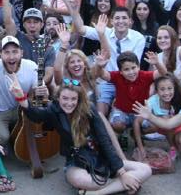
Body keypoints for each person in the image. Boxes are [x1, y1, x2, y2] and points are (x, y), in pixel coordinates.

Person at [11, 77, 152, 194]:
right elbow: (37, 115)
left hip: (102, 157)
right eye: (65, 98)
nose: (69, 103)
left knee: (145, 170)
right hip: (76, 161)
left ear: (79, 99)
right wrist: (21, 98)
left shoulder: (89, 109)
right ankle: (123, 186)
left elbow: (104, 140)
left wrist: (122, 173)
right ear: (58, 97)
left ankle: (98, 193)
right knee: (80, 180)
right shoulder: (53, 109)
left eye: (73, 99)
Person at [0, 35, 45, 148]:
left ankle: (16, 137)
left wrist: (42, 92)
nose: (11, 57)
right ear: (1, 54)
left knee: (41, 119)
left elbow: (41, 94)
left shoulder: (31, 66)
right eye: (7, 52)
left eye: (15, 51)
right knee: (2, 138)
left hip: (20, 109)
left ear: (21, 52)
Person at [91, 49, 166, 142]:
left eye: (133, 68)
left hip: (140, 112)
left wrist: (157, 63)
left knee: (155, 125)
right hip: (121, 110)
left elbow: (163, 73)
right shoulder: (117, 76)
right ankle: (122, 133)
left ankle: (135, 134)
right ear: (121, 71)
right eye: (126, 69)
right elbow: (102, 74)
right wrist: (99, 66)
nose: (131, 72)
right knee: (117, 125)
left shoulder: (145, 76)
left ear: (138, 66)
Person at [132, 73, 181, 162]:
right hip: (162, 126)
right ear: (157, 91)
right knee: (162, 120)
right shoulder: (152, 101)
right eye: (162, 89)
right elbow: (137, 121)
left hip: (178, 124)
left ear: (175, 88)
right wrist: (141, 148)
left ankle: (174, 144)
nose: (166, 93)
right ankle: (172, 147)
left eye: (169, 88)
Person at [155, 24, 181, 95]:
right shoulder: (158, 57)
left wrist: (174, 80)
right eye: (159, 38)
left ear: (173, 39)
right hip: (173, 96)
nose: (162, 40)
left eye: (166, 37)